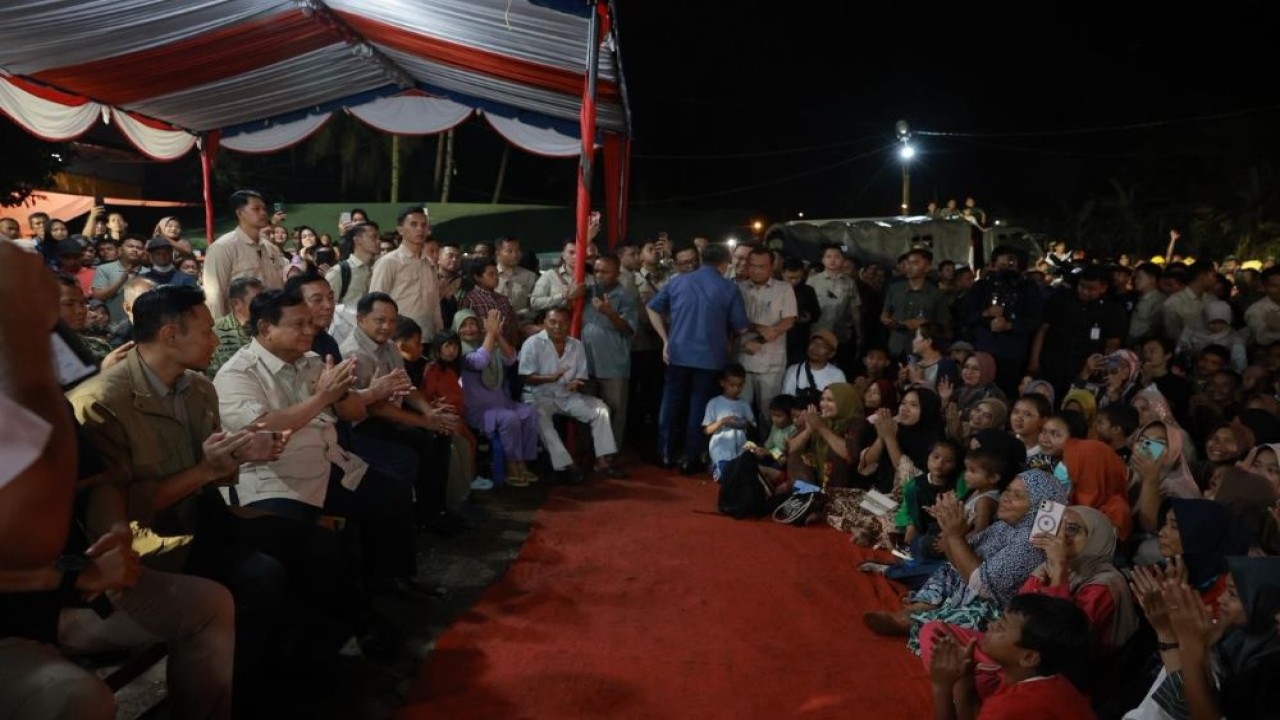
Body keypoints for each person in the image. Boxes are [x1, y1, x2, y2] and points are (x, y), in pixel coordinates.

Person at [213, 287, 421, 590]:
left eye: (310, 323)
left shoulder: (312, 360)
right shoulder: (238, 373)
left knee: (393, 492)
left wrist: (354, 393)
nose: (310, 330)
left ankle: (390, 580)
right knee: (310, 546)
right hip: (276, 477)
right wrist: (323, 397)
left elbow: (350, 411)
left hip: (327, 462)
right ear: (266, 329)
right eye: (299, 324)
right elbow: (265, 425)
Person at [863, 470, 1070, 649]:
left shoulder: (1032, 543)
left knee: (979, 613)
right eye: (1008, 490)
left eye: (1018, 496)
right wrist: (948, 527)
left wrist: (954, 536)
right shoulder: (1005, 526)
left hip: (993, 606)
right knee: (946, 569)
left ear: (1038, 507)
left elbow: (982, 587)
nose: (1006, 497)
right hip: (970, 586)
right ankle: (919, 608)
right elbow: (958, 559)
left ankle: (913, 622)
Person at [647, 244, 749, 473]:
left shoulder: (678, 281)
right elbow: (741, 327)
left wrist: (665, 340)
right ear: (724, 263)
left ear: (702, 259)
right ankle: (690, 457)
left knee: (670, 404)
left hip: (678, 353)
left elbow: (652, 308)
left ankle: (665, 452)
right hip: (711, 357)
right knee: (699, 408)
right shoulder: (728, 288)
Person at [928, 594, 1097, 720]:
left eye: (1001, 627)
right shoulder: (1050, 680)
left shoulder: (1015, 706)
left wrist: (941, 687)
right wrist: (965, 675)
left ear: (1028, 657)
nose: (990, 625)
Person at [519, 306, 625, 483]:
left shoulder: (576, 345)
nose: (557, 327)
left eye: (562, 322)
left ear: (569, 324)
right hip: (538, 396)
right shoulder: (532, 343)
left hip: (566, 395)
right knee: (541, 419)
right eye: (553, 322)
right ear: (544, 323)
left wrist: (577, 383)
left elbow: (581, 377)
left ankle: (603, 462)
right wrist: (551, 378)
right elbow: (525, 377)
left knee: (601, 410)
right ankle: (569, 466)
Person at [454, 309, 541, 487]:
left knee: (529, 413)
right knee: (509, 419)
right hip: (479, 411)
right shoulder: (459, 351)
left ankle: (523, 463)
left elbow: (511, 358)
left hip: (502, 403)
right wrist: (491, 335)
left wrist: (497, 335)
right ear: (456, 329)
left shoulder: (487, 343)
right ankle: (511, 466)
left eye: (472, 324)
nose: (469, 329)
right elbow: (480, 362)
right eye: (463, 325)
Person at [582, 255, 637, 448]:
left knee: (614, 410)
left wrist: (610, 313)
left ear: (617, 274)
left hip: (613, 364)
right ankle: (590, 449)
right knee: (588, 409)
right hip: (587, 364)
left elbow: (629, 330)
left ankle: (610, 452)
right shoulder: (587, 293)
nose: (599, 275)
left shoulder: (625, 297)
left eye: (605, 272)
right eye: (596, 271)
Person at [735, 246, 796, 422]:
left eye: (762, 266)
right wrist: (758, 327)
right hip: (742, 360)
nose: (756, 270)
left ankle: (769, 442)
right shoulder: (738, 289)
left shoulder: (784, 289)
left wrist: (760, 340)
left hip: (771, 363)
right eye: (752, 265)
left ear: (771, 266)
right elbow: (734, 320)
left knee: (769, 414)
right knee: (740, 413)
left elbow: (788, 321)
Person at [202, 190, 285, 318]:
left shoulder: (270, 248)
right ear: (240, 213)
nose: (263, 213)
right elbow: (214, 295)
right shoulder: (222, 248)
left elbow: (279, 287)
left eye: (264, 208)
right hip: (239, 323)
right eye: (256, 209)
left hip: (272, 320)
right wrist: (220, 327)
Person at [370, 207, 443, 342]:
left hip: (428, 338)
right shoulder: (389, 262)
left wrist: (440, 333)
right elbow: (376, 304)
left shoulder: (430, 264)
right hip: (398, 339)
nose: (420, 229)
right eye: (414, 224)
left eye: (424, 225)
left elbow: (435, 305)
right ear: (400, 230)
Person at [882, 248, 948, 360]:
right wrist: (887, 320)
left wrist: (924, 324)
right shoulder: (894, 289)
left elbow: (944, 326)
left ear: (927, 267)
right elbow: (885, 312)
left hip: (923, 351)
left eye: (915, 263)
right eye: (907, 263)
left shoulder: (937, 294)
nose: (909, 267)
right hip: (896, 347)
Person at [807, 243, 861, 368]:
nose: (832, 260)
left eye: (837, 257)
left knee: (840, 366)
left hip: (841, 335)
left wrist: (859, 334)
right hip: (817, 333)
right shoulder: (813, 280)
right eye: (828, 256)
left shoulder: (850, 283)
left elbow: (855, 309)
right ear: (823, 260)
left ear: (843, 260)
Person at [702, 364, 755, 481]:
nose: (736, 389)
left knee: (742, 473)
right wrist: (722, 421)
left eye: (740, 386)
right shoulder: (714, 403)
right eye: (732, 385)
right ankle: (718, 468)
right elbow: (706, 430)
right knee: (726, 471)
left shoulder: (744, 404)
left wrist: (743, 424)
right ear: (722, 383)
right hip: (721, 445)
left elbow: (752, 425)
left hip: (740, 443)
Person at [208, 276, 264, 377]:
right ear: (236, 303)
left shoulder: (268, 329)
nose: (263, 304)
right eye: (256, 300)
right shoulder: (215, 330)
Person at [91, 234, 147, 324]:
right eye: (130, 246)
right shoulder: (104, 269)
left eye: (139, 248)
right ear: (120, 250)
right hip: (113, 324)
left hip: (142, 323)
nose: (135, 250)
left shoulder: (149, 273)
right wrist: (121, 281)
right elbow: (98, 296)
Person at [780, 329, 847, 401]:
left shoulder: (837, 375)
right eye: (814, 343)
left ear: (831, 354)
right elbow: (785, 401)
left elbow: (840, 403)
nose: (816, 348)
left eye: (823, 346)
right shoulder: (793, 370)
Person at [325, 221, 379, 308]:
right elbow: (328, 306)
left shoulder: (378, 268)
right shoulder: (340, 271)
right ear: (357, 240)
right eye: (373, 237)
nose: (378, 241)